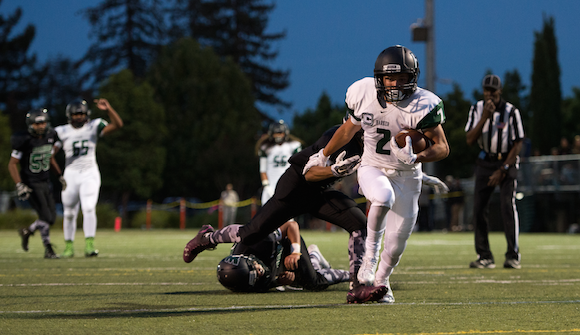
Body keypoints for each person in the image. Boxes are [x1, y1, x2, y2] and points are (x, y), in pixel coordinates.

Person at [183, 123, 390, 304]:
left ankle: (358, 287)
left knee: (359, 225)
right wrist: (334, 171)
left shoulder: (369, 147)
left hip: (319, 192)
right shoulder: (337, 138)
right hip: (295, 188)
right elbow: (309, 173)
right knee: (251, 233)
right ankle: (207, 237)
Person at [309, 45, 450, 303]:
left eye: (401, 78)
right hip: (372, 166)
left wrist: (417, 156)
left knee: (396, 246)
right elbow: (347, 130)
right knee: (383, 197)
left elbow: (442, 147)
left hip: (407, 175)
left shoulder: (424, 104)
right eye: (389, 78)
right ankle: (369, 258)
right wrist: (324, 155)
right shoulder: (364, 93)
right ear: (379, 78)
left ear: (412, 78)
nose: (395, 84)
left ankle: (382, 281)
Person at [465, 74, 525, 269]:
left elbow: (518, 143)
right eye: (486, 91)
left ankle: (512, 254)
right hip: (485, 161)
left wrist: (504, 169)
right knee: (479, 208)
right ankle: (484, 256)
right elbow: (470, 140)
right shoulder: (477, 108)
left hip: (507, 161)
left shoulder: (511, 111)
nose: (490, 95)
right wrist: (485, 118)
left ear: (500, 91)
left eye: (493, 91)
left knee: (507, 206)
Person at [53, 98, 123, 258]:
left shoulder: (94, 126)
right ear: (69, 115)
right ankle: (69, 247)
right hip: (70, 174)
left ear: (87, 114)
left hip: (89, 172)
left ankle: (89, 245)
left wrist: (109, 109)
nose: (79, 117)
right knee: (69, 212)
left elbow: (118, 125)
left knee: (89, 207)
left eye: (81, 113)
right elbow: (50, 153)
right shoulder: (61, 131)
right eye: (76, 114)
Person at [216, 220, 350, 292]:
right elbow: (262, 284)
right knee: (297, 283)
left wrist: (295, 252)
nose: (259, 271)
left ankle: (354, 275)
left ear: (249, 258)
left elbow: (291, 225)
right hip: (274, 260)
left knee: (313, 282)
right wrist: (278, 282)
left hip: (287, 247)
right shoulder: (243, 281)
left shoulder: (260, 240)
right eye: (255, 276)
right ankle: (314, 255)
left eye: (255, 267)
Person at [10, 108, 65, 259]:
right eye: (37, 123)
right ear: (30, 124)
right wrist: (19, 184)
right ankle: (48, 249)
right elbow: (12, 164)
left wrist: (59, 175)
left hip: (45, 181)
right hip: (31, 183)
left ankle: (28, 231)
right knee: (45, 216)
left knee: (52, 218)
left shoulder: (50, 135)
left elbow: (50, 157)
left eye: (43, 123)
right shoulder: (24, 140)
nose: (41, 126)